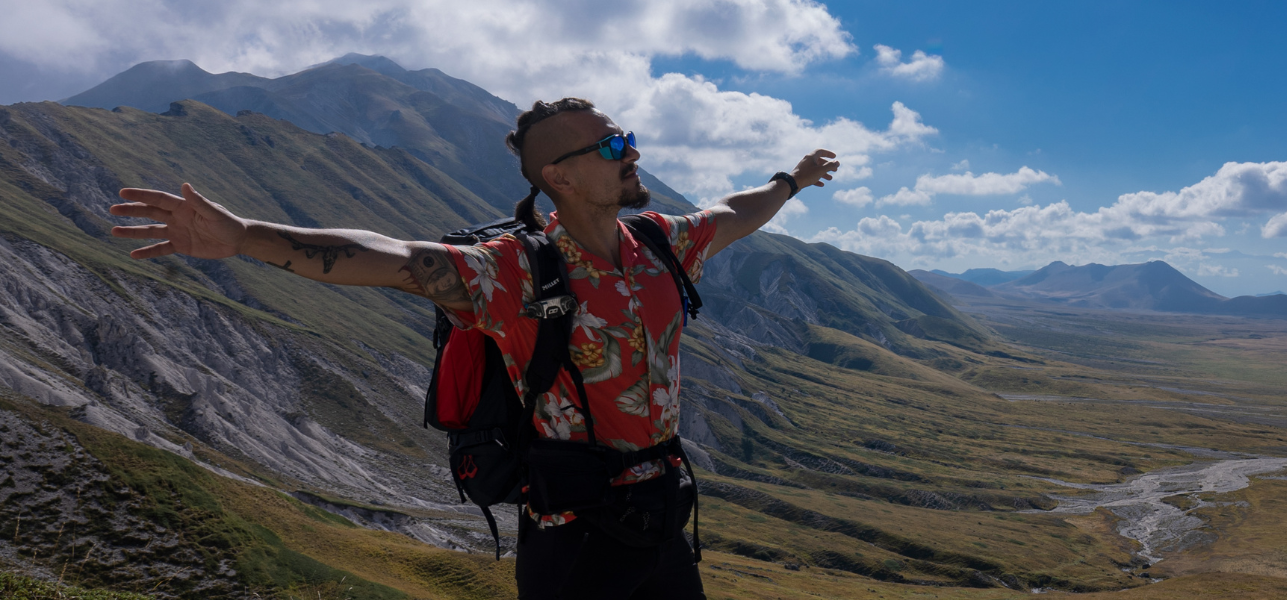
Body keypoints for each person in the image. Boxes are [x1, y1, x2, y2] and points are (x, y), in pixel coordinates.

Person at [108, 97, 838, 599]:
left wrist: (792, 181)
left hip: (663, 513)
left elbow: (733, 213)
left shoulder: (658, 242)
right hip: (575, 535)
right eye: (614, 145)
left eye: (627, 138)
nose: (633, 151)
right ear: (561, 176)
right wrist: (245, 238)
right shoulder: (514, 270)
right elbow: (390, 256)